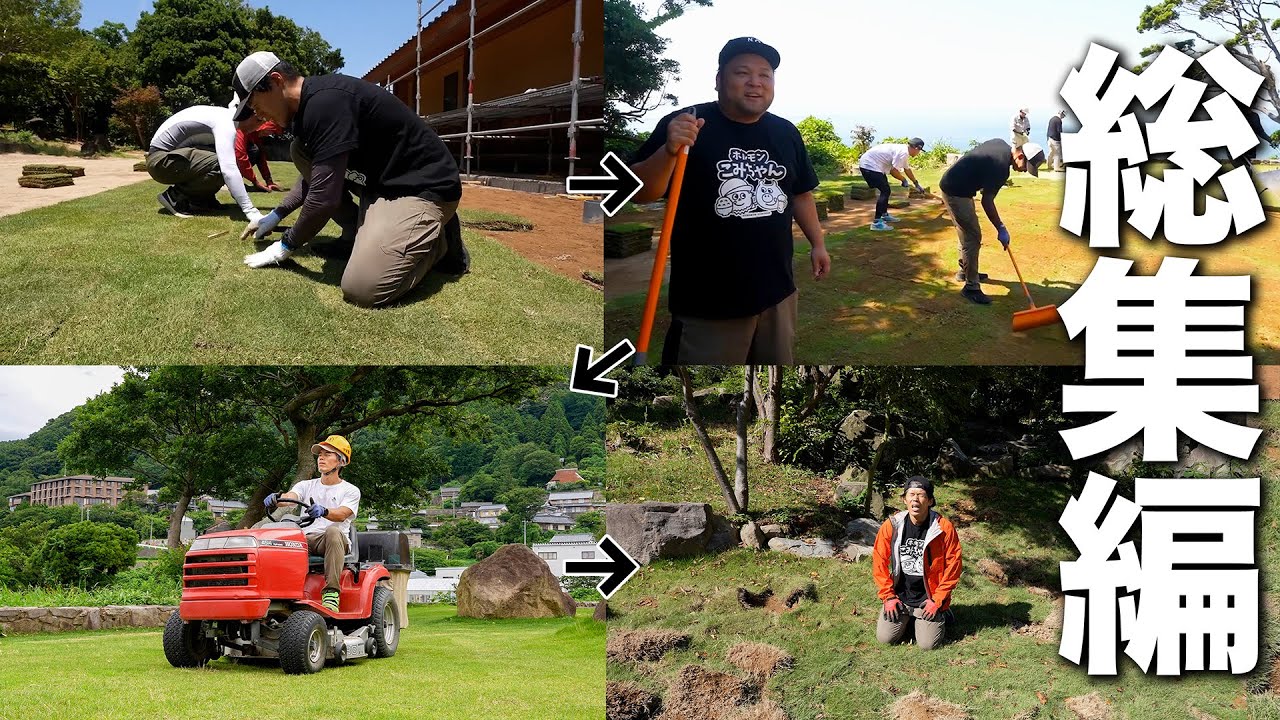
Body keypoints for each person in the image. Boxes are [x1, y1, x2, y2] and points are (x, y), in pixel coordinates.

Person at [628, 37, 831, 364]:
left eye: (765, 75)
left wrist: (818, 244)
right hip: (708, 304)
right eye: (742, 73)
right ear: (719, 79)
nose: (755, 82)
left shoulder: (786, 132)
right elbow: (641, 192)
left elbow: (800, 193)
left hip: (778, 294)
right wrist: (668, 150)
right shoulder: (685, 123)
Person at [232, 51, 465, 308]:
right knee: (300, 150)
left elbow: (324, 198)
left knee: (363, 288)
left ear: (276, 81)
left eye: (254, 103)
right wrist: (277, 215)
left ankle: (438, 241)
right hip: (380, 187)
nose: (257, 113)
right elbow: (319, 177)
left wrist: (285, 245)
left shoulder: (326, 103)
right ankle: (355, 234)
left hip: (423, 189)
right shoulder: (307, 110)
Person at [262, 434, 361, 613]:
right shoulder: (305, 485)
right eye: (320, 454)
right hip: (305, 540)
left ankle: (331, 593)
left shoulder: (350, 490)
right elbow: (291, 498)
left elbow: (342, 514)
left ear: (341, 461)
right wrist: (277, 499)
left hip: (334, 541)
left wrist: (324, 511)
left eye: (328, 454)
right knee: (273, 539)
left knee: (333, 531)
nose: (321, 458)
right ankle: (275, 592)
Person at [938, 139, 1044, 304]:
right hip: (955, 191)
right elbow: (987, 201)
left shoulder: (1000, 145)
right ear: (1020, 156)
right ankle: (971, 288)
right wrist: (1000, 227)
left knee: (966, 233)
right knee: (972, 237)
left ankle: (965, 271)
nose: (1024, 171)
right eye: (1026, 167)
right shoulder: (1000, 168)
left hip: (957, 185)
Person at [872, 476, 962, 651]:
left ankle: (942, 612)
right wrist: (888, 597)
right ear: (904, 499)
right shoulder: (892, 525)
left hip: (929, 597)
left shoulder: (943, 528)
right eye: (911, 494)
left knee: (927, 645)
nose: (915, 499)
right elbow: (879, 562)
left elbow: (954, 566)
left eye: (921, 495)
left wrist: (937, 600)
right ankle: (909, 617)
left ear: (930, 501)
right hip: (900, 596)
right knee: (885, 638)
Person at [145, 102, 265, 222]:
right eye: (260, 121)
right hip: (160, 161)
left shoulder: (225, 117)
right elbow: (229, 169)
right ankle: (175, 197)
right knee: (222, 164)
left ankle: (201, 201)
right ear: (253, 116)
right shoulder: (226, 122)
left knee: (226, 160)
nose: (259, 127)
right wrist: (250, 210)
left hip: (168, 160)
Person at [858, 138, 926, 231]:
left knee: (886, 190)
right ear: (916, 148)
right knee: (885, 191)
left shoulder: (904, 151)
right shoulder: (903, 153)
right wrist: (903, 180)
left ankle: (884, 215)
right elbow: (893, 171)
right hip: (869, 166)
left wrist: (916, 183)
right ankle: (877, 223)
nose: (918, 153)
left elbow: (907, 169)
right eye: (919, 151)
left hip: (875, 166)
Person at [236, 116, 284, 192]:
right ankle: (234, 181)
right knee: (254, 150)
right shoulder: (243, 129)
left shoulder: (256, 136)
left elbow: (261, 158)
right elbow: (240, 156)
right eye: (269, 131)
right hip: (224, 159)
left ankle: (236, 180)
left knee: (257, 151)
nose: (269, 134)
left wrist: (269, 180)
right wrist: (255, 181)